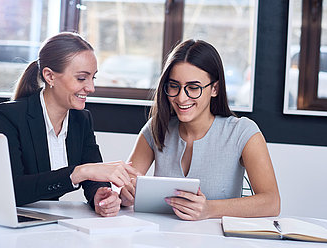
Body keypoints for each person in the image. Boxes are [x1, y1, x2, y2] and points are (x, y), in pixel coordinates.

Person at [120, 39, 280, 220]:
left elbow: (272, 202)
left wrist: (209, 209)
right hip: (164, 238)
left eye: (193, 88)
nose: (181, 97)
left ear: (215, 88)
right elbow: (124, 185)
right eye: (174, 86)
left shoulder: (242, 132)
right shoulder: (156, 128)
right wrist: (124, 194)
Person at [0, 32, 139, 217]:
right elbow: (14, 189)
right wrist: (79, 172)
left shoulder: (81, 119)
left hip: (51, 222)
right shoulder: (8, 116)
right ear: (50, 76)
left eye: (93, 78)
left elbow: (94, 178)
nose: (91, 88)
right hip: (12, 220)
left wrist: (100, 196)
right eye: (82, 78)